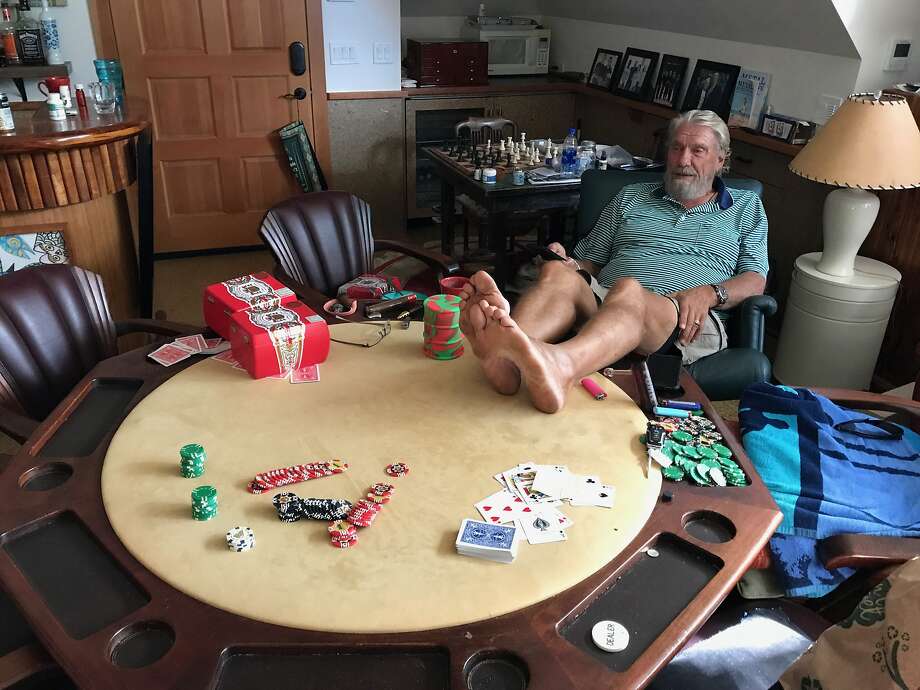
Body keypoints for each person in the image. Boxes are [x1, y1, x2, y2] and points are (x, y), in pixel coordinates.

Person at [458, 109, 768, 413]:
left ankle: (560, 365)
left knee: (629, 290)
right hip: (608, 301)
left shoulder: (745, 205)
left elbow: (755, 279)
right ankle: (507, 359)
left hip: (681, 317)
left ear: (720, 160)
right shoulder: (631, 196)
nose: (683, 160)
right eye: (676, 147)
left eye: (698, 150)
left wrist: (711, 293)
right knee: (558, 274)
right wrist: (567, 263)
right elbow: (589, 262)